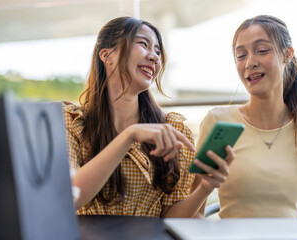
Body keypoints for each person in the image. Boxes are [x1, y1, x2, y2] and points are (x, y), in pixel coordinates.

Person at [63, 16, 234, 218]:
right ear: (107, 55)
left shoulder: (173, 129)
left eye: (158, 51)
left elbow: (171, 220)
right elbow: (68, 198)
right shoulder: (72, 123)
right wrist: (129, 136)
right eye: (144, 44)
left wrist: (205, 188)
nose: (154, 57)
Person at [194, 15, 297, 218]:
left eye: (262, 51)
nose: (250, 63)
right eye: (241, 55)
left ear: (287, 55)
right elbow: (195, 213)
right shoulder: (218, 122)